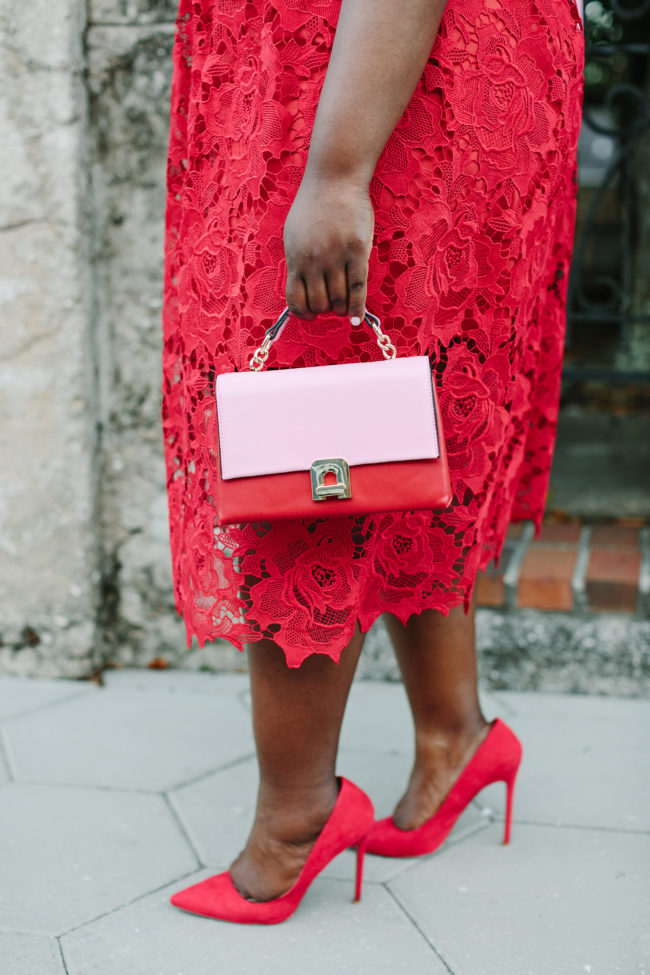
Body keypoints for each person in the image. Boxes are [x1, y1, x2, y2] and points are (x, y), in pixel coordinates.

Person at [162, 0, 585, 922]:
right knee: (395, 427)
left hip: (371, 93)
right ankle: (455, 733)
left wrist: (338, 171)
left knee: (312, 447)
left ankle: (294, 820)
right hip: (372, 81)